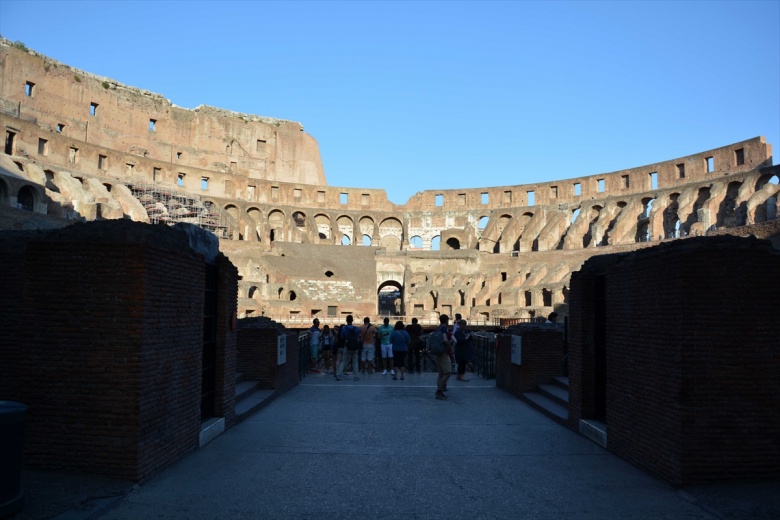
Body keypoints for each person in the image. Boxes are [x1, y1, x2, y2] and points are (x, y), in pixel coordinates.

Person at [433, 314, 453, 400]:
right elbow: (445, 339)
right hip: (443, 352)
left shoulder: (437, 328)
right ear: (447, 320)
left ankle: (439, 389)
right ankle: (439, 391)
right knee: (448, 373)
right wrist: (450, 348)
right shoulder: (444, 328)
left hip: (436, 352)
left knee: (441, 373)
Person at [336, 315, 360, 381]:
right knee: (355, 362)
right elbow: (358, 336)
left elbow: (342, 337)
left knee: (343, 361)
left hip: (347, 346)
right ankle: (356, 376)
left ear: (346, 320)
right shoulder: (356, 328)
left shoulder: (344, 328)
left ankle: (339, 375)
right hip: (355, 346)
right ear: (352, 320)